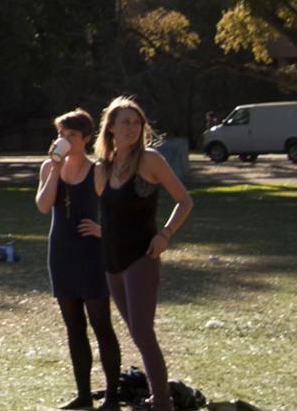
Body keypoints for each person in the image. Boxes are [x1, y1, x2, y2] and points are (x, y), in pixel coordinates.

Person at [87, 97, 194, 410]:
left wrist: (165, 234)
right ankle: (156, 398)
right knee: (136, 333)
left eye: (137, 123)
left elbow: (184, 201)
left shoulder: (150, 160)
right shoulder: (101, 169)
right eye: (126, 123)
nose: (132, 128)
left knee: (144, 334)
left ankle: (162, 403)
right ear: (111, 129)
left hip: (141, 257)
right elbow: (112, 217)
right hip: (112, 260)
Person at [34, 109, 121, 409]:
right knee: (74, 327)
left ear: (85, 138)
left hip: (91, 255)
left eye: (71, 135)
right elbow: (44, 206)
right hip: (61, 253)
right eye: (61, 135)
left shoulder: (97, 170)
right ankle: (84, 394)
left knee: (101, 325)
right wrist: (56, 169)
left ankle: (112, 395)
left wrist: (102, 230)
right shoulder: (49, 167)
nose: (64, 140)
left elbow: (117, 211)